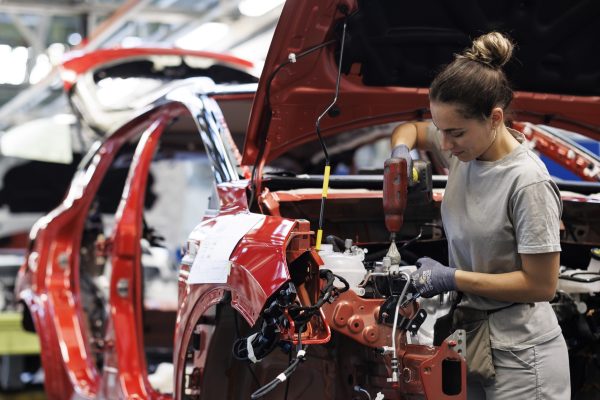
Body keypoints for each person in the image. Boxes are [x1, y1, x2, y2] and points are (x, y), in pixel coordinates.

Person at [389, 32, 570, 399]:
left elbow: (541, 285)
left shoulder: (527, 183)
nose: (444, 145)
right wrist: (400, 152)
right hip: (470, 340)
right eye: (440, 130)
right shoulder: (465, 149)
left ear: (495, 118)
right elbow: (409, 129)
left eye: (455, 133)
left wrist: (452, 278)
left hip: (523, 357)